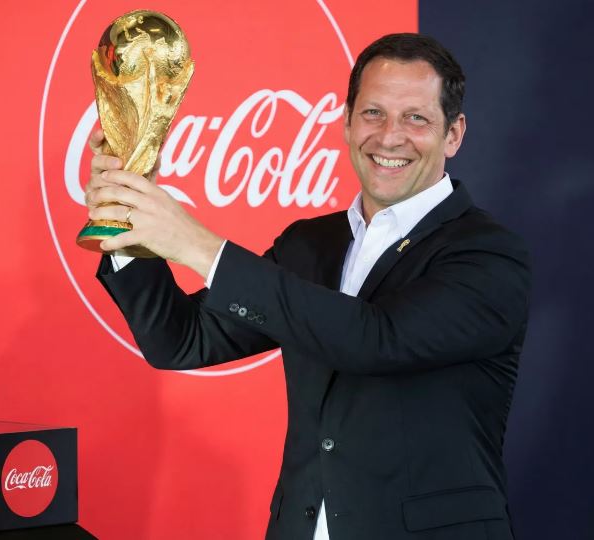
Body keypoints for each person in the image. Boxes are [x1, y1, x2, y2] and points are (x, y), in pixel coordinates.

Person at [85, 33, 530, 540]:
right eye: (373, 113)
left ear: (453, 134)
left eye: (416, 118)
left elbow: (375, 340)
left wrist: (199, 245)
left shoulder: (489, 255)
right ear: (346, 122)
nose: (389, 137)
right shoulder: (309, 244)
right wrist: (126, 218)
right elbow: (182, 340)